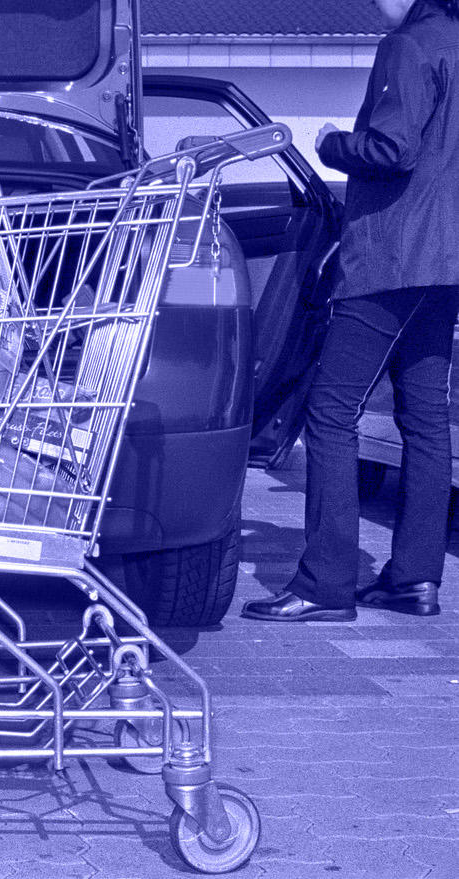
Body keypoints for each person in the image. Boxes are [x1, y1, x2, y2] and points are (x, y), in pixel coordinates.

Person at [242, 0, 459, 623]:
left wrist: (331, 142)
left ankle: (323, 584)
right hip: (444, 264)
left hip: (392, 257)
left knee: (330, 412)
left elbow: (391, 149)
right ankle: (415, 580)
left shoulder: (409, 47)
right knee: (425, 417)